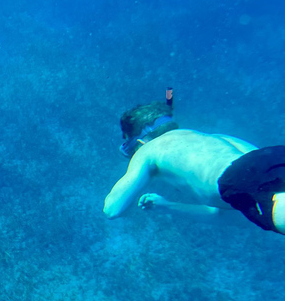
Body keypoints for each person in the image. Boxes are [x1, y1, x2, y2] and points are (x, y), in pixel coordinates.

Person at [103, 94, 285, 234]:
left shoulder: (148, 149)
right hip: (274, 155)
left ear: (139, 141)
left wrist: (142, 167)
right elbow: (237, 213)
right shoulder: (219, 139)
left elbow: (113, 209)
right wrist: (166, 206)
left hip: (239, 179)